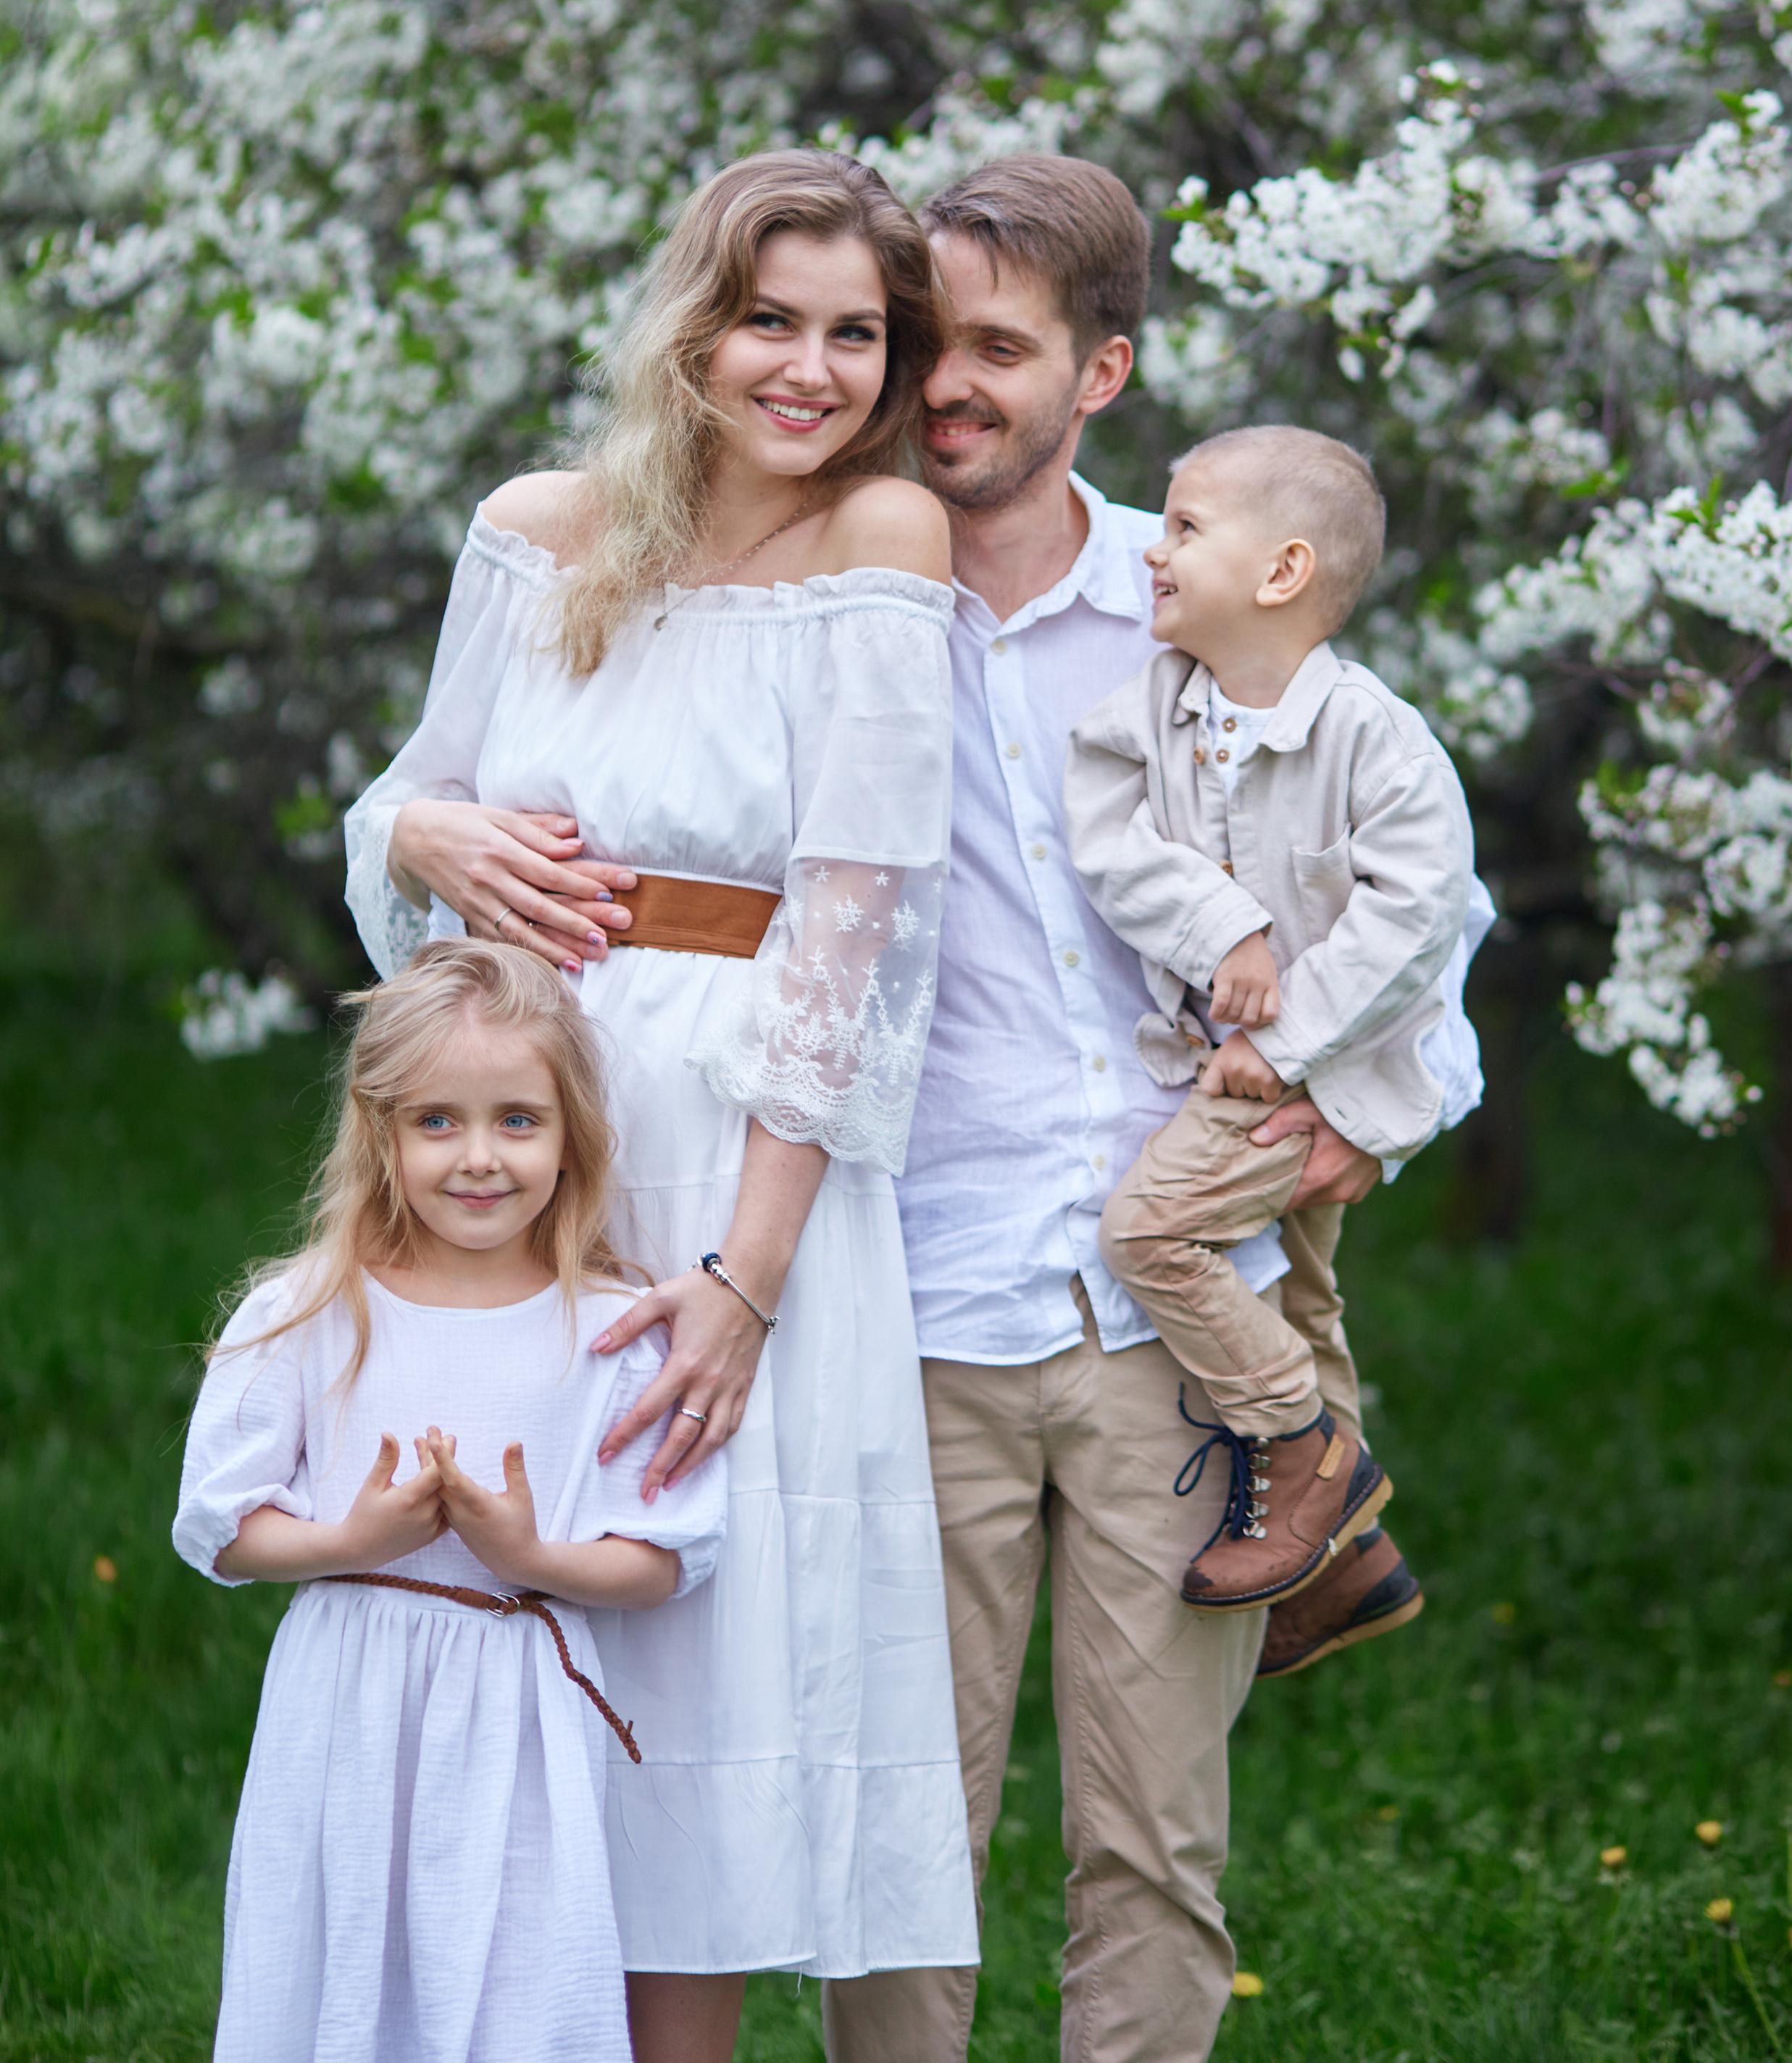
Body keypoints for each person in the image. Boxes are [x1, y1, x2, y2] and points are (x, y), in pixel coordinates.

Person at [818, 155, 1492, 2063]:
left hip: (1168, 1317)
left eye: (1001, 350)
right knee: (898, 1845)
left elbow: (1426, 891)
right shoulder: (822, 609)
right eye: (928, 341)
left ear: (1098, 376)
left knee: (1155, 1850)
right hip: (910, 1300)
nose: (950, 381)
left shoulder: (1207, 587)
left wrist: (1390, 1100)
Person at [341, 152, 979, 2062]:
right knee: (507, 1610)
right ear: (693, 324)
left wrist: (743, 1277)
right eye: (769, 319)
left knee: (694, 1657)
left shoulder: (883, 539)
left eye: (855, 333)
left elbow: (863, 929)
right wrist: (424, 827)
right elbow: (402, 814)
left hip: (737, 1151)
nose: (808, 366)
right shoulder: (544, 531)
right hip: (508, 1135)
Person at [172, 940, 728, 2063]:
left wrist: (534, 1555)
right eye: (437, 1122)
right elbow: (221, 1527)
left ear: (573, 1136)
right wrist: (352, 1537)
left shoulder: (614, 1333)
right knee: (343, 1973)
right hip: (349, 1715)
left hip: (522, 1719)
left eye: (518, 1120)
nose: (479, 1158)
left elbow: (670, 1553)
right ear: (381, 1134)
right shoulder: (308, 1311)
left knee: (520, 1987)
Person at [1067, 422, 1475, 1616]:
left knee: (1148, 1237)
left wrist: (1285, 1044)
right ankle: (1333, 1571)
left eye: (1185, 528)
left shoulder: (1376, 740)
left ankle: (1301, 1450)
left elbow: (1418, 916)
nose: (1154, 549)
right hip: (1226, 1061)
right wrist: (1220, 929)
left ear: (1283, 572)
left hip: (1303, 1081)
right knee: (1295, 1295)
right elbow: (1106, 840)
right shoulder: (1150, 708)